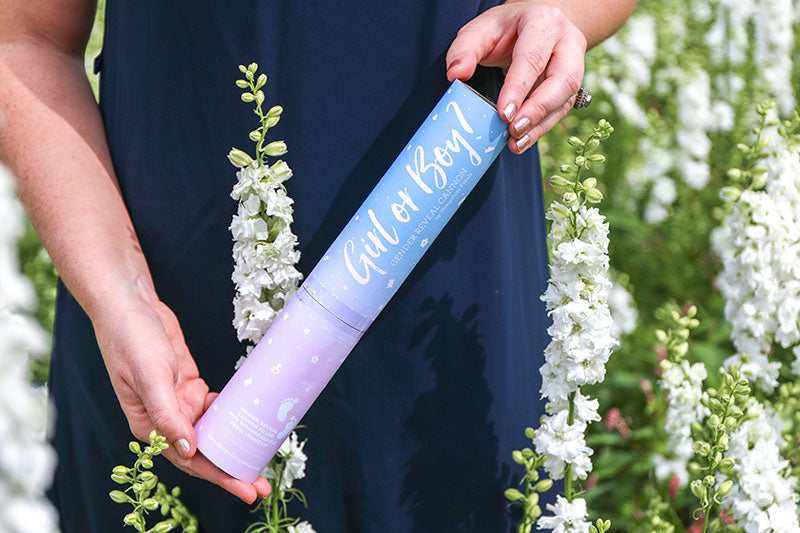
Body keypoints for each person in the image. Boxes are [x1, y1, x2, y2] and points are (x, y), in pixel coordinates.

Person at [0, 1, 635, 531]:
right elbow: (24, 40)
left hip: (454, 315)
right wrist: (121, 297)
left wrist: (559, 17)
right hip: (169, 349)